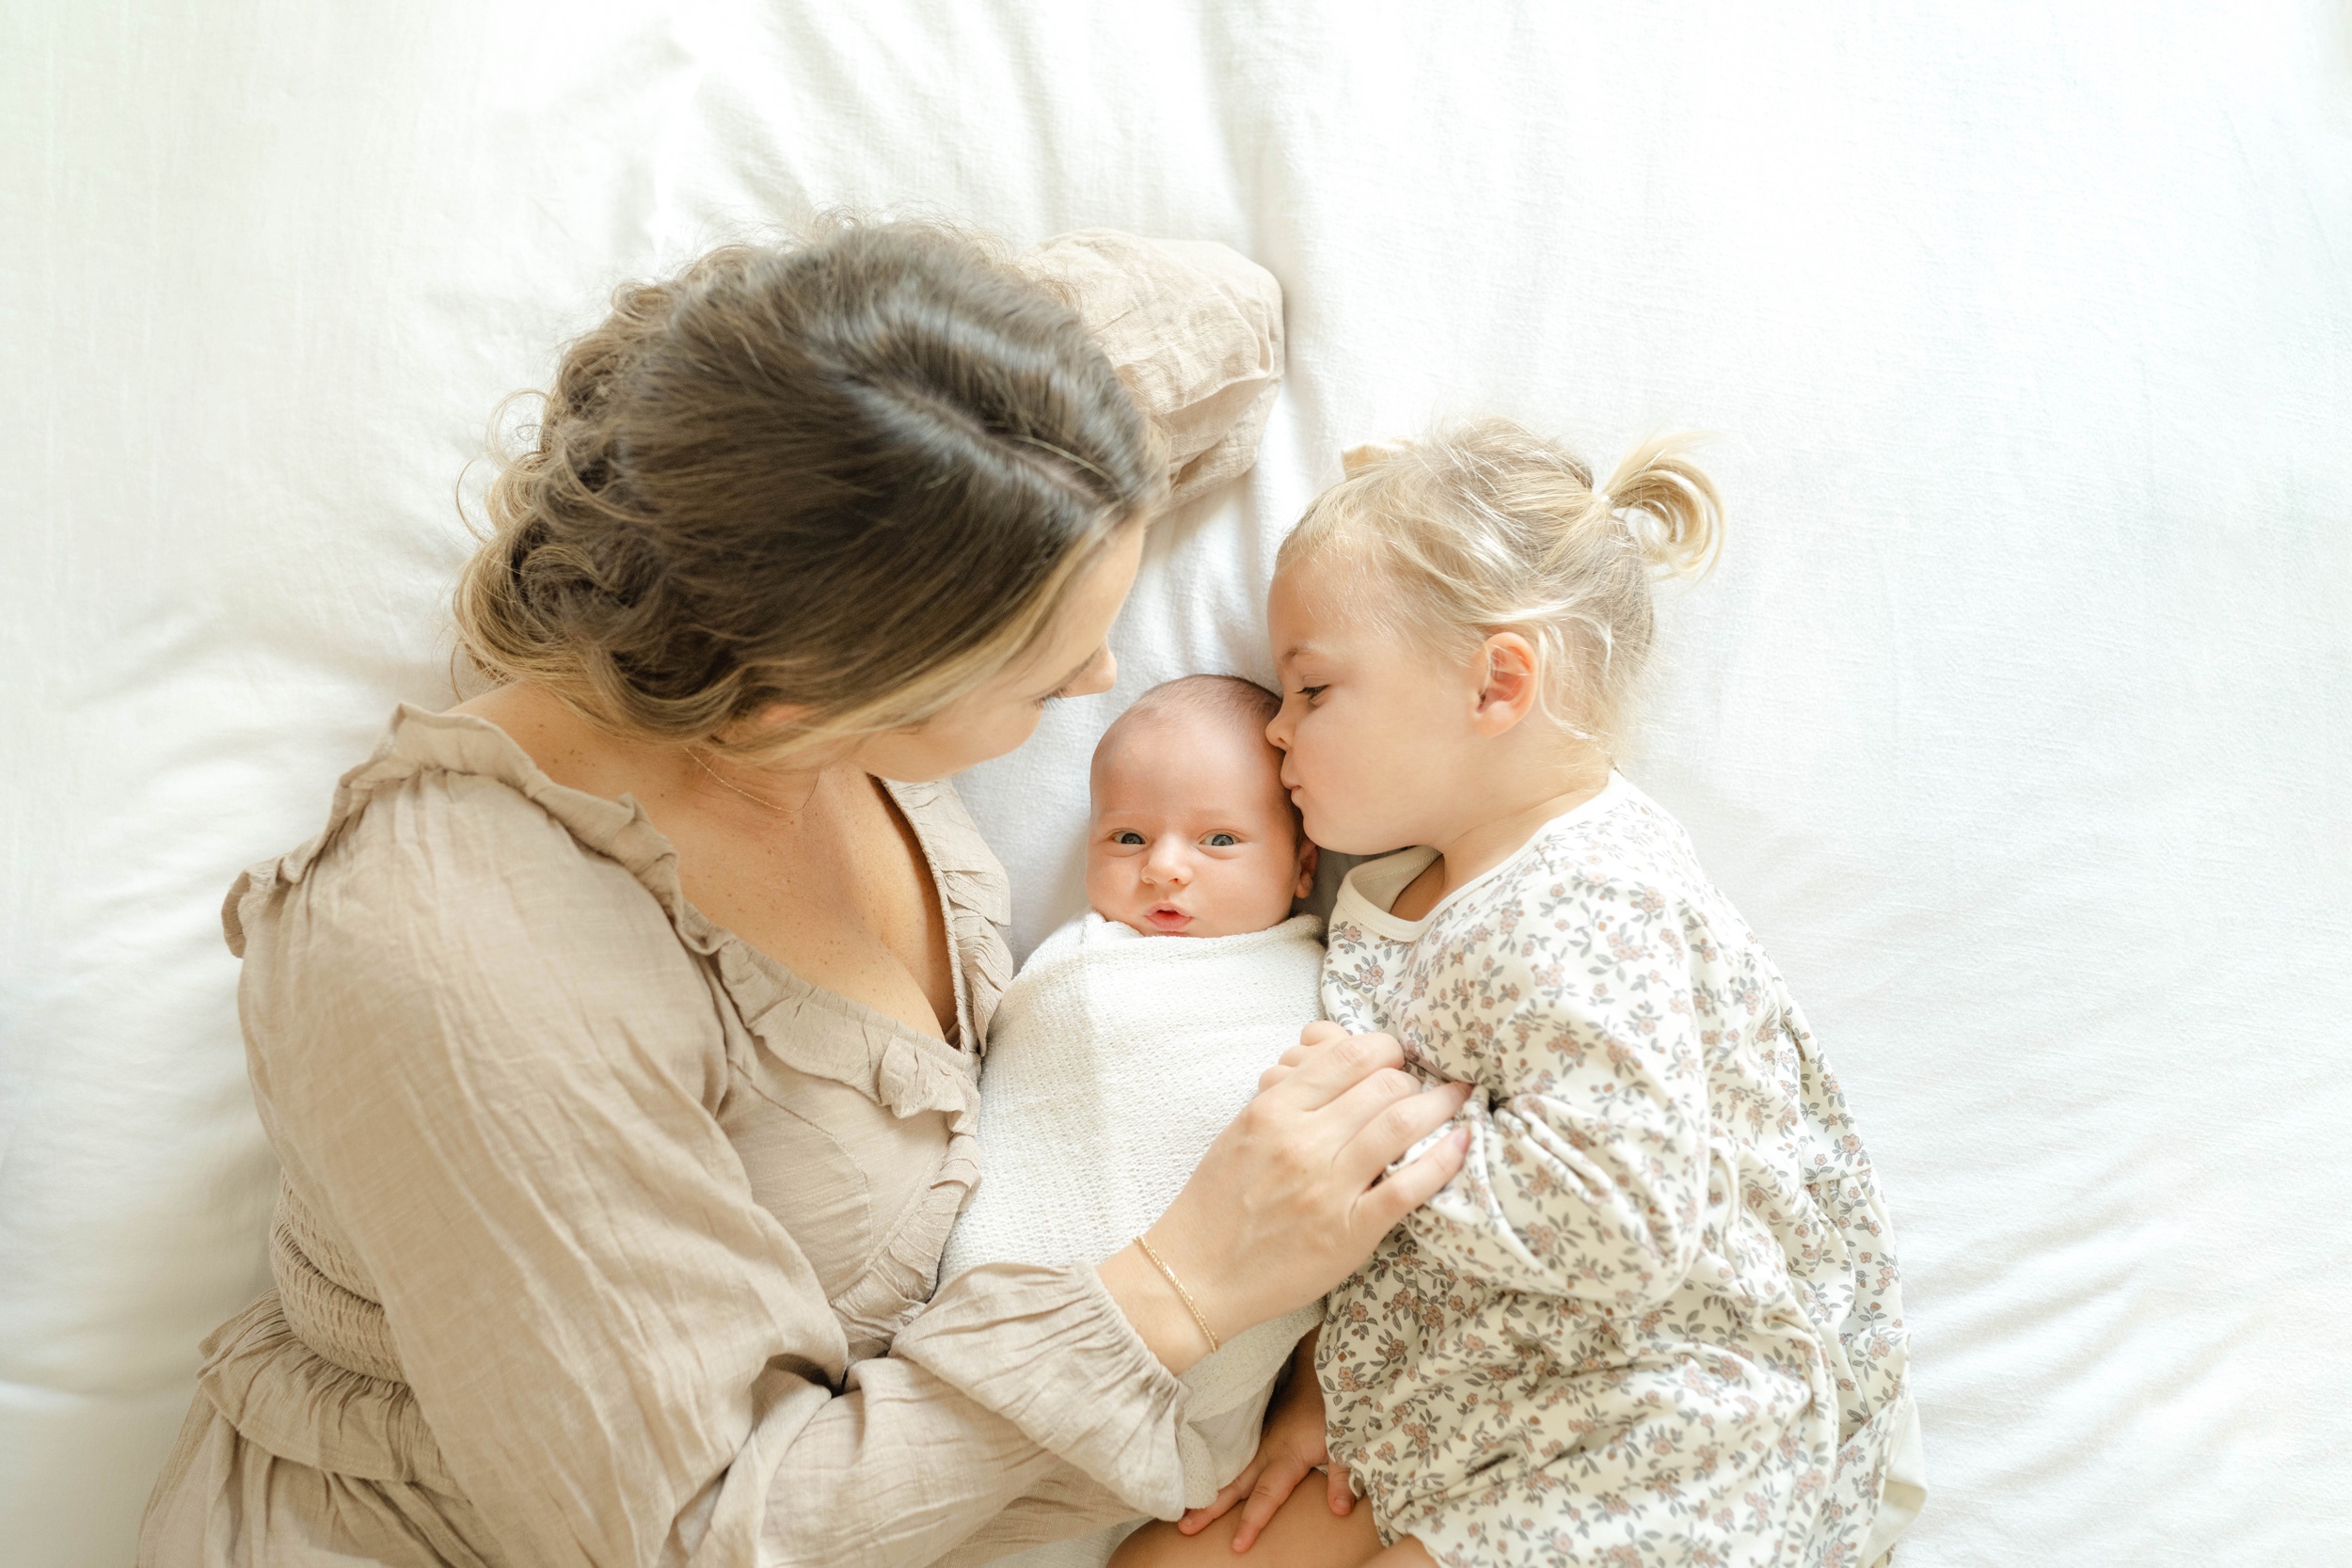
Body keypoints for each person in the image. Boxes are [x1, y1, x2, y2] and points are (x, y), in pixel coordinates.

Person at [135, 224, 1473, 1568]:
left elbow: (1224, 324)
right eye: (1045, 667)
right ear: (831, 682)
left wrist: (912, 384)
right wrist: (1191, 1276)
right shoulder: (450, 951)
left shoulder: (783, 660)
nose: (1095, 680)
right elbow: (702, 1535)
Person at [1118, 424, 1924, 1568]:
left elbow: (1624, 1217)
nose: (1275, 725)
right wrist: (1318, 1381)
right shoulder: (1406, 894)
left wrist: (1358, 1155)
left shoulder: (1594, 894)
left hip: (1649, 1429)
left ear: (1497, 683)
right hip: (1455, 1406)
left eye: (1311, 686)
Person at [941, 675, 1343, 1568]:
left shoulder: (1321, 996)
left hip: (1210, 1418)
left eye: (1219, 839)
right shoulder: (1069, 973)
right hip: (1032, 1355)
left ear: (1303, 864)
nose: (1164, 865)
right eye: (1127, 835)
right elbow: (1031, 1110)